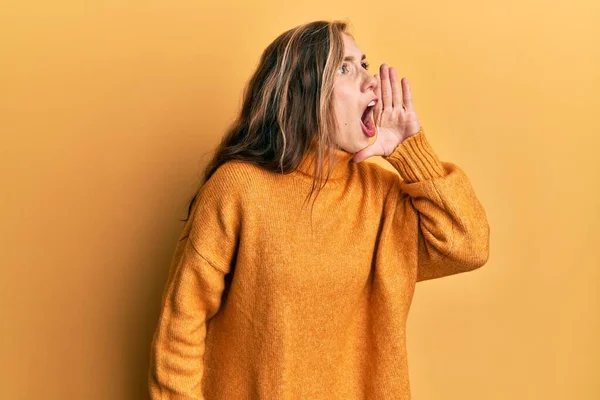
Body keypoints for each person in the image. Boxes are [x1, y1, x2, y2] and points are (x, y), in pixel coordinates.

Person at [148, 19, 490, 400]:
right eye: (345, 67)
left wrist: (408, 151)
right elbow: (180, 331)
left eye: (364, 63)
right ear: (301, 92)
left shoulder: (380, 199)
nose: (370, 78)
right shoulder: (238, 190)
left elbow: (468, 244)